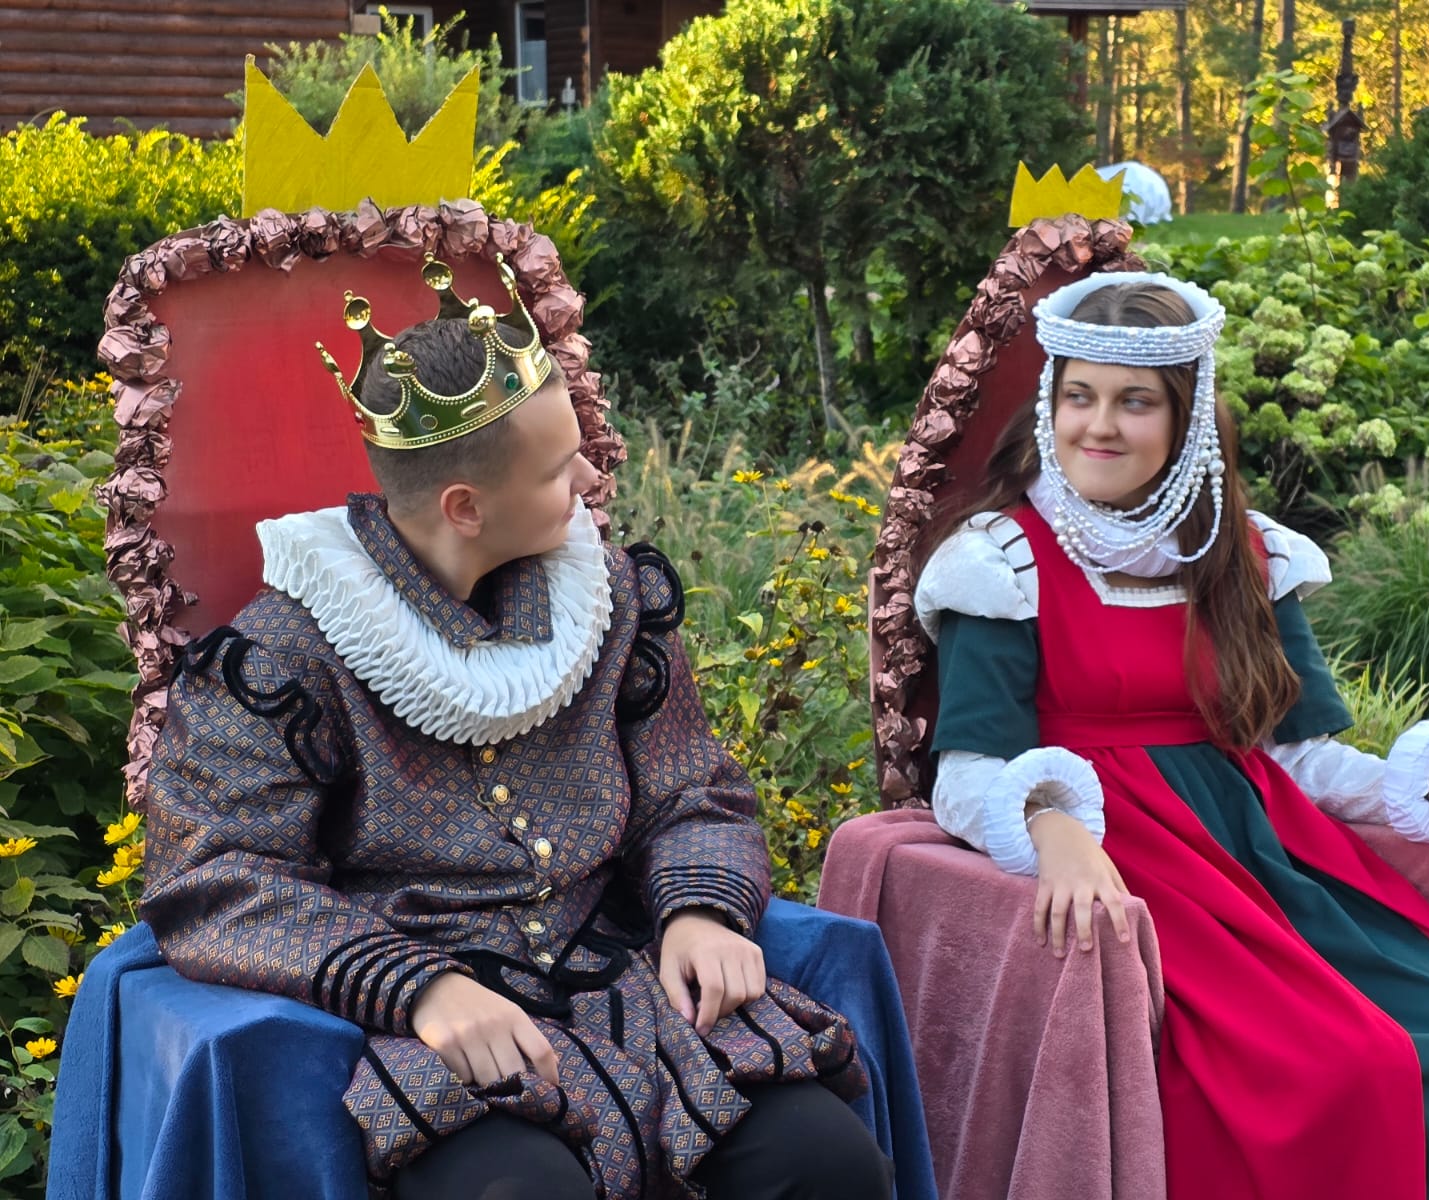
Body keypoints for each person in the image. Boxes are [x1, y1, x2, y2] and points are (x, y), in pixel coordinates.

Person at [138, 258, 892, 1200]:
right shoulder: (288, 653)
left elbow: (690, 789)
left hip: (631, 986)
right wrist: (416, 987)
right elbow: (216, 875)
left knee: (828, 1167)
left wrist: (701, 906)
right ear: (465, 507)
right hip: (431, 1024)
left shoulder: (610, 599)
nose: (590, 476)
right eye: (557, 466)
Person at [912, 271, 1429, 1200]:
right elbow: (967, 771)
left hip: (1262, 858)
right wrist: (1049, 824)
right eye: (1079, 396)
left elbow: (1299, 752)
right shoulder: (1003, 561)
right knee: (1338, 1069)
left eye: (1136, 402)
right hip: (1130, 870)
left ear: (1187, 420)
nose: (1100, 425)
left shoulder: (1244, 555)